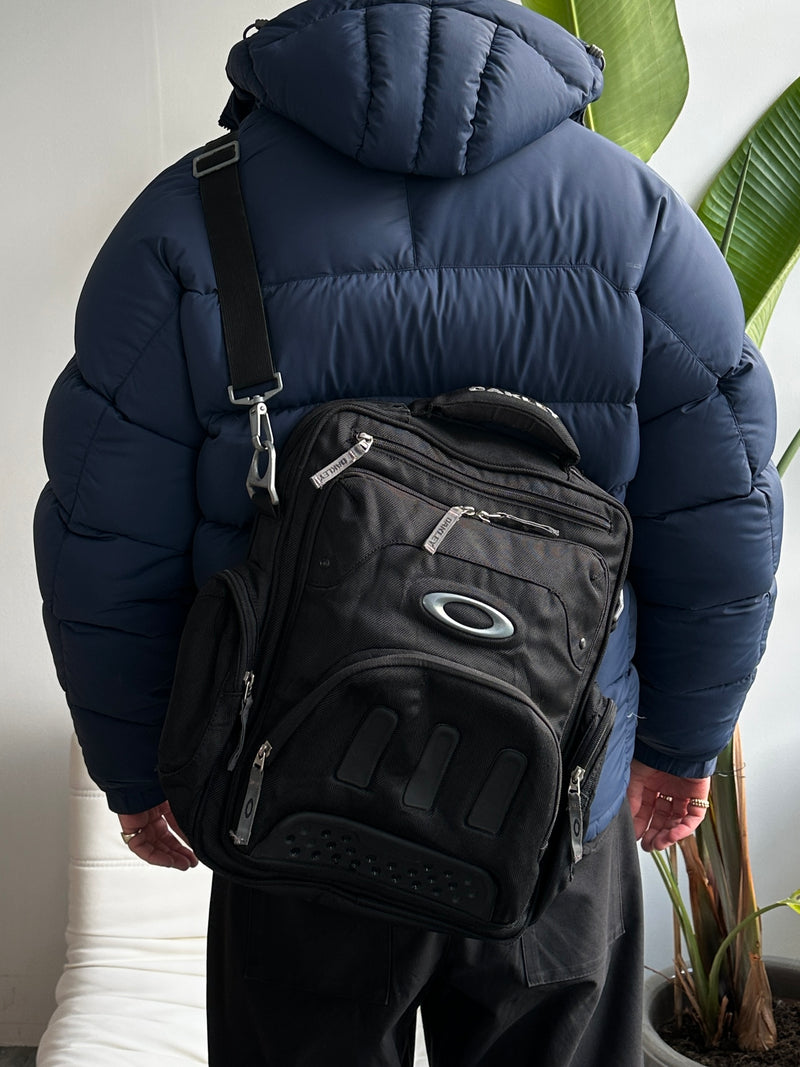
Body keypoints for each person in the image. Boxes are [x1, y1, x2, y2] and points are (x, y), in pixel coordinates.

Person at [34, 0, 782, 1064]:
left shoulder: (193, 217)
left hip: (288, 790)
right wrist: (679, 745)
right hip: (550, 801)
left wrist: (138, 767)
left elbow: (101, 536)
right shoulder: (636, 220)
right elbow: (724, 512)